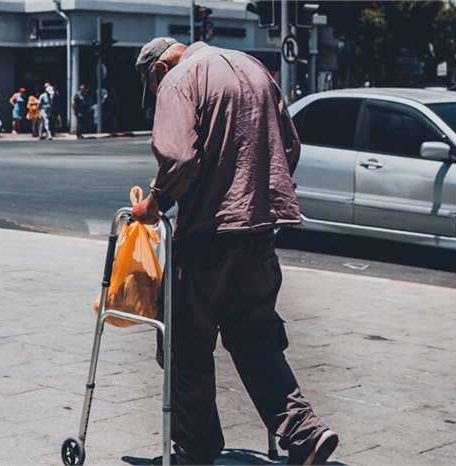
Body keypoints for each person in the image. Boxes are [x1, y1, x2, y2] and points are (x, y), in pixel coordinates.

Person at [132, 37, 339, 466]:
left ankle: (197, 448)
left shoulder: (178, 81)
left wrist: (153, 205)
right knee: (254, 338)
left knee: (184, 345)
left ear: (157, 71)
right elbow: (290, 148)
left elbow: (178, 160)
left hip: (208, 237)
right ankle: (305, 434)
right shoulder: (253, 68)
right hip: (260, 234)